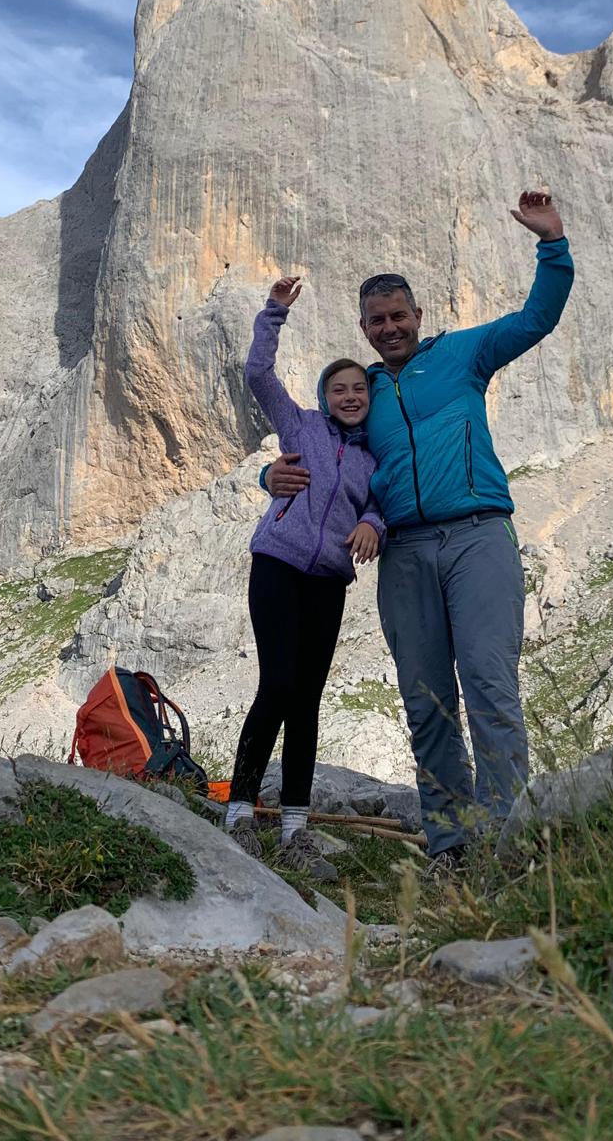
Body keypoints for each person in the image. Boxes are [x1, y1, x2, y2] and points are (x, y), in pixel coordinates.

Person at [263, 190, 573, 875]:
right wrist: (271, 479)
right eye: (377, 320)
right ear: (365, 328)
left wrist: (551, 243)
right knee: (427, 700)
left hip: (478, 536)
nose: (390, 327)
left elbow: (536, 319)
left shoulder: (462, 355)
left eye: (399, 315)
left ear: (418, 316)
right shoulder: (362, 393)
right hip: (401, 552)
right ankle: (452, 847)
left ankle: (505, 839)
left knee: (490, 685)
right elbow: (316, 453)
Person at [226, 276, 384, 883]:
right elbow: (258, 375)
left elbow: (383, 503)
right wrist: (274, 312)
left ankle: (295, 826)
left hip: (327, 580)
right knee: (280, 684)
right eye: (338, 388)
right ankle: (238, 810)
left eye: (358, 390)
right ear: (324, 396)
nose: (349, 396)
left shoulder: (372, 456)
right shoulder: (302, 429)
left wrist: (373, 523)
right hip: (277, 566)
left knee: (309, 699)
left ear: (369, 399)